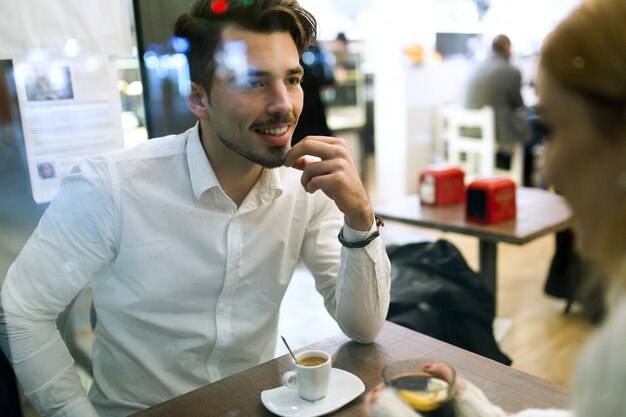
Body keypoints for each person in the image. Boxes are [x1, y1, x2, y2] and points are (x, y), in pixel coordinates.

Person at [0, 1, 391, 416]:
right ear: (198, 99)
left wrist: (360, 219)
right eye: (252, 82)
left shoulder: (306, 186)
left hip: (255, 405)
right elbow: (23, 310)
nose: (285, 105)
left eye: (291, 80)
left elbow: (363, 328)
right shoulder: (111, 186)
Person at [364, 0, 626, 415]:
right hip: (500, 132)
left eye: (554, 129)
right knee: (520, 138)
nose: (551, 168)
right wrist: (473, 403)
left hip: (471, 128)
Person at [465, 34, 540, 185]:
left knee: (523, 123)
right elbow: (519, 105)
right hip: (494, 130)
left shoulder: (477, 66)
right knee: (533, 127)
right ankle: (525, 182)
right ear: (508, 48)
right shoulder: (511, 71)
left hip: (469, 129)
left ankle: (504, 175)